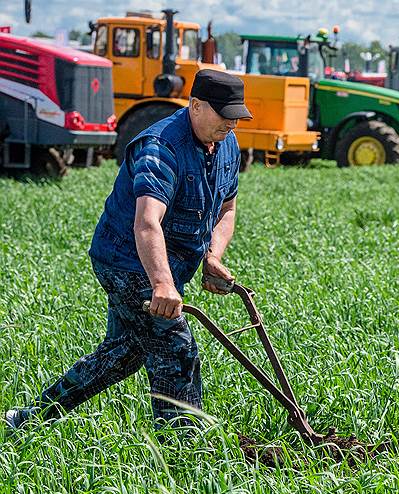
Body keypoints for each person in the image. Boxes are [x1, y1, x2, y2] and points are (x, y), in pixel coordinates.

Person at [4, 70, 252, 431]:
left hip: (167, 265)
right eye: (224, 114)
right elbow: (147, 223)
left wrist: (213, 255)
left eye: (235, 116)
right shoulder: (161, 147)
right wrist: (162, 284)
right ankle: (185, 452)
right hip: (126, 261)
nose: (231, 123)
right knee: (174, 348)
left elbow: (226, 208)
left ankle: (28, 420)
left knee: (124, 355)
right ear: (195, 106)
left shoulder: (225, 143)